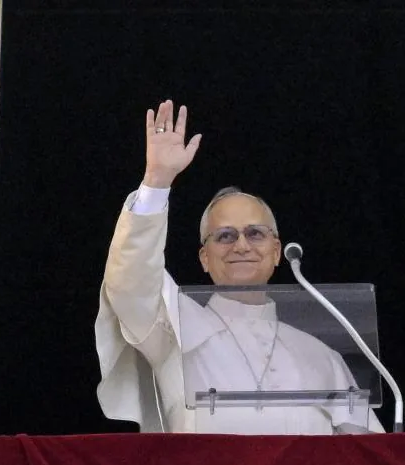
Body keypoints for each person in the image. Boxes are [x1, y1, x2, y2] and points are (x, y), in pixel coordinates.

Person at [95, 100, 384, 434]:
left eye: (255, 234)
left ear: (277, 252)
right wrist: (156, 182)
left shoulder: (322, 355)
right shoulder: (174, 327)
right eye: (225, 236)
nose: (241, 245)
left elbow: (368, 453)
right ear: (204, 257)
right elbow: (130, 282)